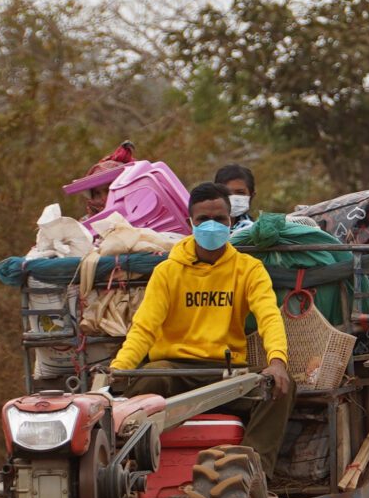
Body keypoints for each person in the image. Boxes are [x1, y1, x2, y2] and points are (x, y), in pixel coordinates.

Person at [108, 182, 293, 471]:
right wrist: (119, 369)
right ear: (190, 223)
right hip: (175, 371)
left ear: (230, 222)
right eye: (203, 219)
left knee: (279, 387)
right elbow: (144, 327)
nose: (212, 225)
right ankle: (127, 472)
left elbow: (269, 317)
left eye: (219, 219)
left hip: (229, 374)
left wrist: (277, 361)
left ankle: (251, 472)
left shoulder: (249, 268)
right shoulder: (167, 271)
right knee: (147, 382)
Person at [214, 163, 257, 230]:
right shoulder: (201, 228)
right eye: (226, 192)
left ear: (251, 196)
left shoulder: (256, 232)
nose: (232, 198)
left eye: (240, 192)